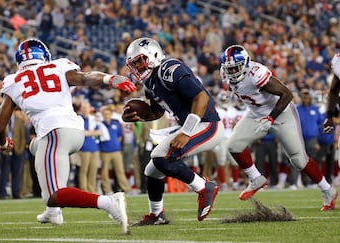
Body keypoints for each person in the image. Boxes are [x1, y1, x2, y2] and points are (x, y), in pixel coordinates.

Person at [0, 38, 136, 234]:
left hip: (55, 134)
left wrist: (3, 142)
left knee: (54, 194)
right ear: (45, 56)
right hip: (75, 132)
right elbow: (85, 78)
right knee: (37, 146)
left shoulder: (13, 80)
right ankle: (53, 213)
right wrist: (108, 79)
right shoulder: (59, 65)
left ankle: (108, 202)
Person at [220, 44, 338, 211]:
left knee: (298, 160)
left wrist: (271, 117)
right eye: (229, 69)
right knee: (233, 145)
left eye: (235, 68)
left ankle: (328, 190)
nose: (232, 72)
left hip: (281, 113)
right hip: (256, 114)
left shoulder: (256, 74)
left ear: (246, 63)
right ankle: (256, 178)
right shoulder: (225, 73)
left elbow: (287, 94)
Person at [122, 37, 224, 225]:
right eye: (133, 64)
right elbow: (157, 111)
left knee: (160, 156)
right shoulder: (150, 81)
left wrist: (186, 132)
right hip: (192, 125)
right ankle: (157, 214)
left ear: (153, 54)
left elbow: (201, 97)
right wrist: (138, 115)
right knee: (152, 170)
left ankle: (203, 187)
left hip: (208, 124)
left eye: (139, 61)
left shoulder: (170, 69)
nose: (137, 67)